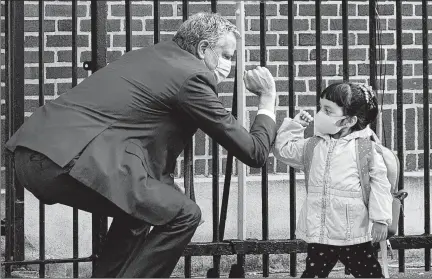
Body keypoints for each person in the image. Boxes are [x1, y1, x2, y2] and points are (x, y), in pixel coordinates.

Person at [6, 12, 277, 278]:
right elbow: (254, 152)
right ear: (203, 47)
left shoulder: (150, 57)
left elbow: (141, 139)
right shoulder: (192, 77)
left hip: (33, 153)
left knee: (141, 213)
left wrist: (167, 191)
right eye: (227, 56)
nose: (229, 65)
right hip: (68, 159)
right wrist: (267, 99)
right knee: (185, 214)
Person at [273, 82, 392, 278]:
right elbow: (283, 151)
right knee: (313, 273)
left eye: (328, 110)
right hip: (321, 232)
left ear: (349, 121)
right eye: (321, 108)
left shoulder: (366, 149)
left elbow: (380, 185)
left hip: (353, 233)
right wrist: (295, 126)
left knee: (369, 273)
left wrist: (380, 220)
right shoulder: (313, 145)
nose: (320, 114)